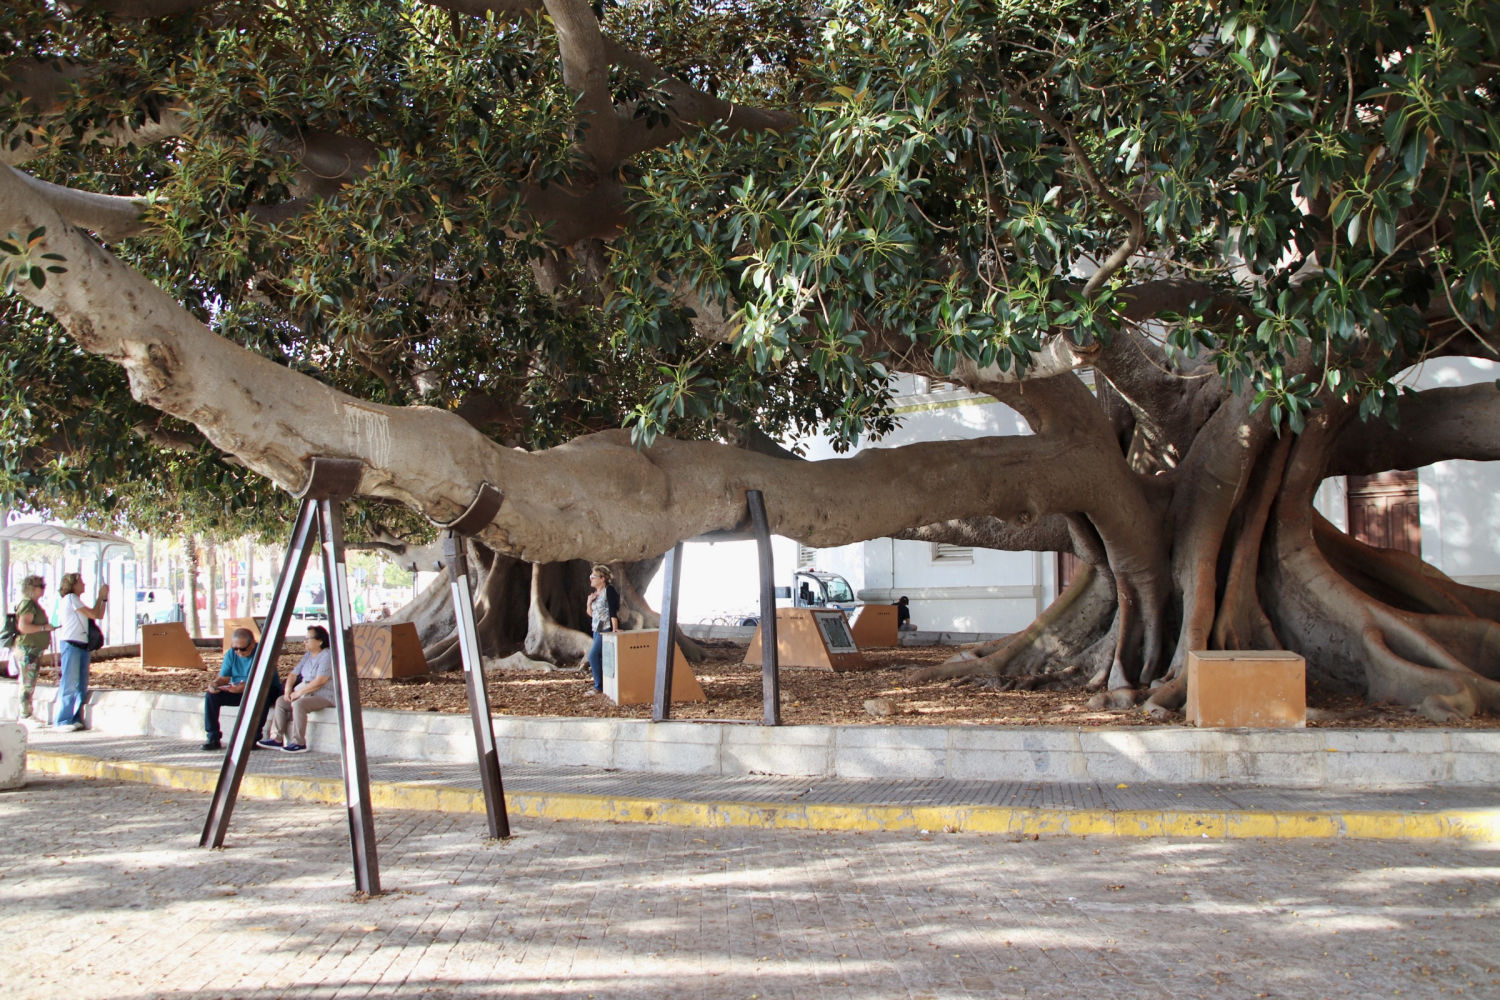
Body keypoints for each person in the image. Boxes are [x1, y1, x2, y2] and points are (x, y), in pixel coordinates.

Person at [200, 627, 284, 751]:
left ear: (251, 644)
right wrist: (215, 684)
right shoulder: (231, 654)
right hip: (239, 689)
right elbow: (224, 677)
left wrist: (245, 688)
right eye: (235, 648)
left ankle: (252, 738)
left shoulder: (263, 653)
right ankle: (213, 738)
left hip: (264, 688)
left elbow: (262, 680)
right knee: (212, 696)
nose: (239, 652)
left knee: (261, 695)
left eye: (242, 649)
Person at [257, 625, 335, 753]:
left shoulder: (327, 655)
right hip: (305, 693)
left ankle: (299, 742)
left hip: (324, 695)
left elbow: (320, 681)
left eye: (308, 639)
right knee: (282, 701)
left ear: (320, 641)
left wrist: (299, 693)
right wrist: (288, 690)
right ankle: (276, 738)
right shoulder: (308, 655)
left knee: (299, 704)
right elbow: (293, 674)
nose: (305, 642)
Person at [53, 572, 108, 731]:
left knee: (80, 684)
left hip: (82, 644)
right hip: (71, 643)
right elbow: (92, 613)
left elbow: (98, 614)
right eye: (80, 582)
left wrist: (103, 598)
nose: (83, 584)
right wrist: (100, 596)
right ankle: (62, 719)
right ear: (73, 585)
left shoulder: (76, 600)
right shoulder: (70, 599)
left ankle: (74, 717)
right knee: (69, 682)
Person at [12, 576, 57, 725]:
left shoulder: (33, 604)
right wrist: (43, 628)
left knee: (28, 681)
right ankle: (25, 714)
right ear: (32, 588)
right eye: (40, 586)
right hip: (28, 650)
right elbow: (23, 627)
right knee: (28, 682)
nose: (43, 589)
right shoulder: (28, 604)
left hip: (33, 650)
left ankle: (26, 712)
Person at [584, 564, 620, 694]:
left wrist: (614, 628)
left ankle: (598, 687)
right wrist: (589, 602)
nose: (591, 579)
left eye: (594, 576)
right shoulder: (595, 594)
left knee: (593, 655)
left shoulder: (608, 590)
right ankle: (605, 685)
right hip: (595, 629)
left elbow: (613, 611)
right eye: (591, 576)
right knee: (600, 657)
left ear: (602, 578)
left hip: (605, 629)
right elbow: (591, 613)